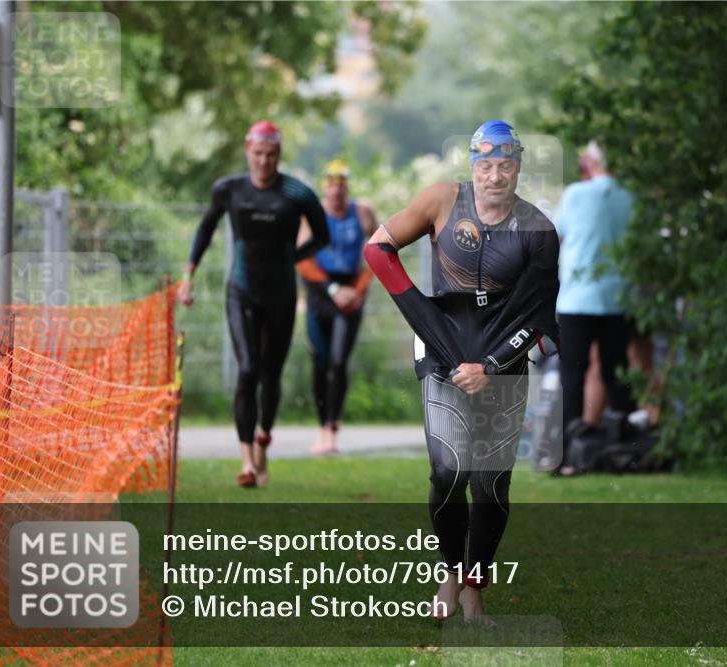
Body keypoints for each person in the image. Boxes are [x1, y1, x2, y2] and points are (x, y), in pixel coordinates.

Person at [364, 120, 559, 623]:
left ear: (518, 168)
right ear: (473, 166)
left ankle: (474, 588)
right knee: (449, 470)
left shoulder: (538, 230)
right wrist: (421, 314)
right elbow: (377, 249)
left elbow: (538, 317)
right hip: (443, 355)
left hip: (502, 363)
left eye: (506, 165)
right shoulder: (441, 201)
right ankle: (450, 572)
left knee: (491, 484)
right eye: (486, 165)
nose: (495, 175)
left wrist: (491, 365)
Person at [176, 120, 328, 488]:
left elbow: (322, 236)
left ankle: (262, 443)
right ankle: (246, 462)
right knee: (247, 370)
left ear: (279, 155)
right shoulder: (229, 190)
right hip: (241, 291)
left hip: (281, 295)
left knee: (270, 376)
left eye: (271, 155)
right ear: (248, 151)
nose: (264, 161)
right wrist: (188, 274)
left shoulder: (298, 193)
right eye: (258, 154)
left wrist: (292, 256)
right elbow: (205, 229)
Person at [554, 140, 645, 476]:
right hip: (619, 298)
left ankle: (567, 456)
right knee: (617, 375)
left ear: (590, 163)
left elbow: (556, 236)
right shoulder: (632, 198)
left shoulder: (576, 194)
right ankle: (626, 452)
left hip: (576, 299)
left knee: (572, 376)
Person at [296, 160, 377, 455]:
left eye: (341, 186)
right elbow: (301, 259)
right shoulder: (312, 215)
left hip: (351, 293)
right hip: (320, 291)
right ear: (324, 188)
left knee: (339, 361)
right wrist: (332, 289)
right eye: (331, 186)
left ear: (347, 188)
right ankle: (322, 429)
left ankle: (332, 428)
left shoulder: (363, 212)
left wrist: (359, 288)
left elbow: (381, 250)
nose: (336, 192)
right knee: (320, 360)